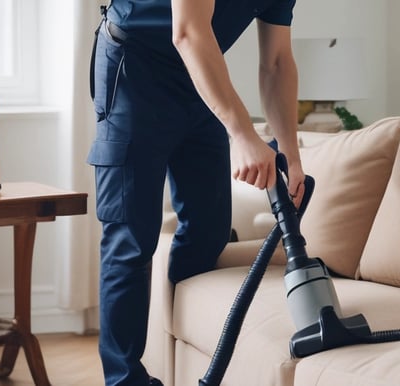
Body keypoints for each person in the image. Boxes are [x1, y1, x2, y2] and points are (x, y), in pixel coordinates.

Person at [88, 0, 304, 385]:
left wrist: (290, 150)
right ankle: (124, 380)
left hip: (200, 72)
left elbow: (276, 62)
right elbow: (187, 31)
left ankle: (181, 339)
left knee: (209, 228)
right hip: (135, 66)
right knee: (131, 237)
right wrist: (241, 133)